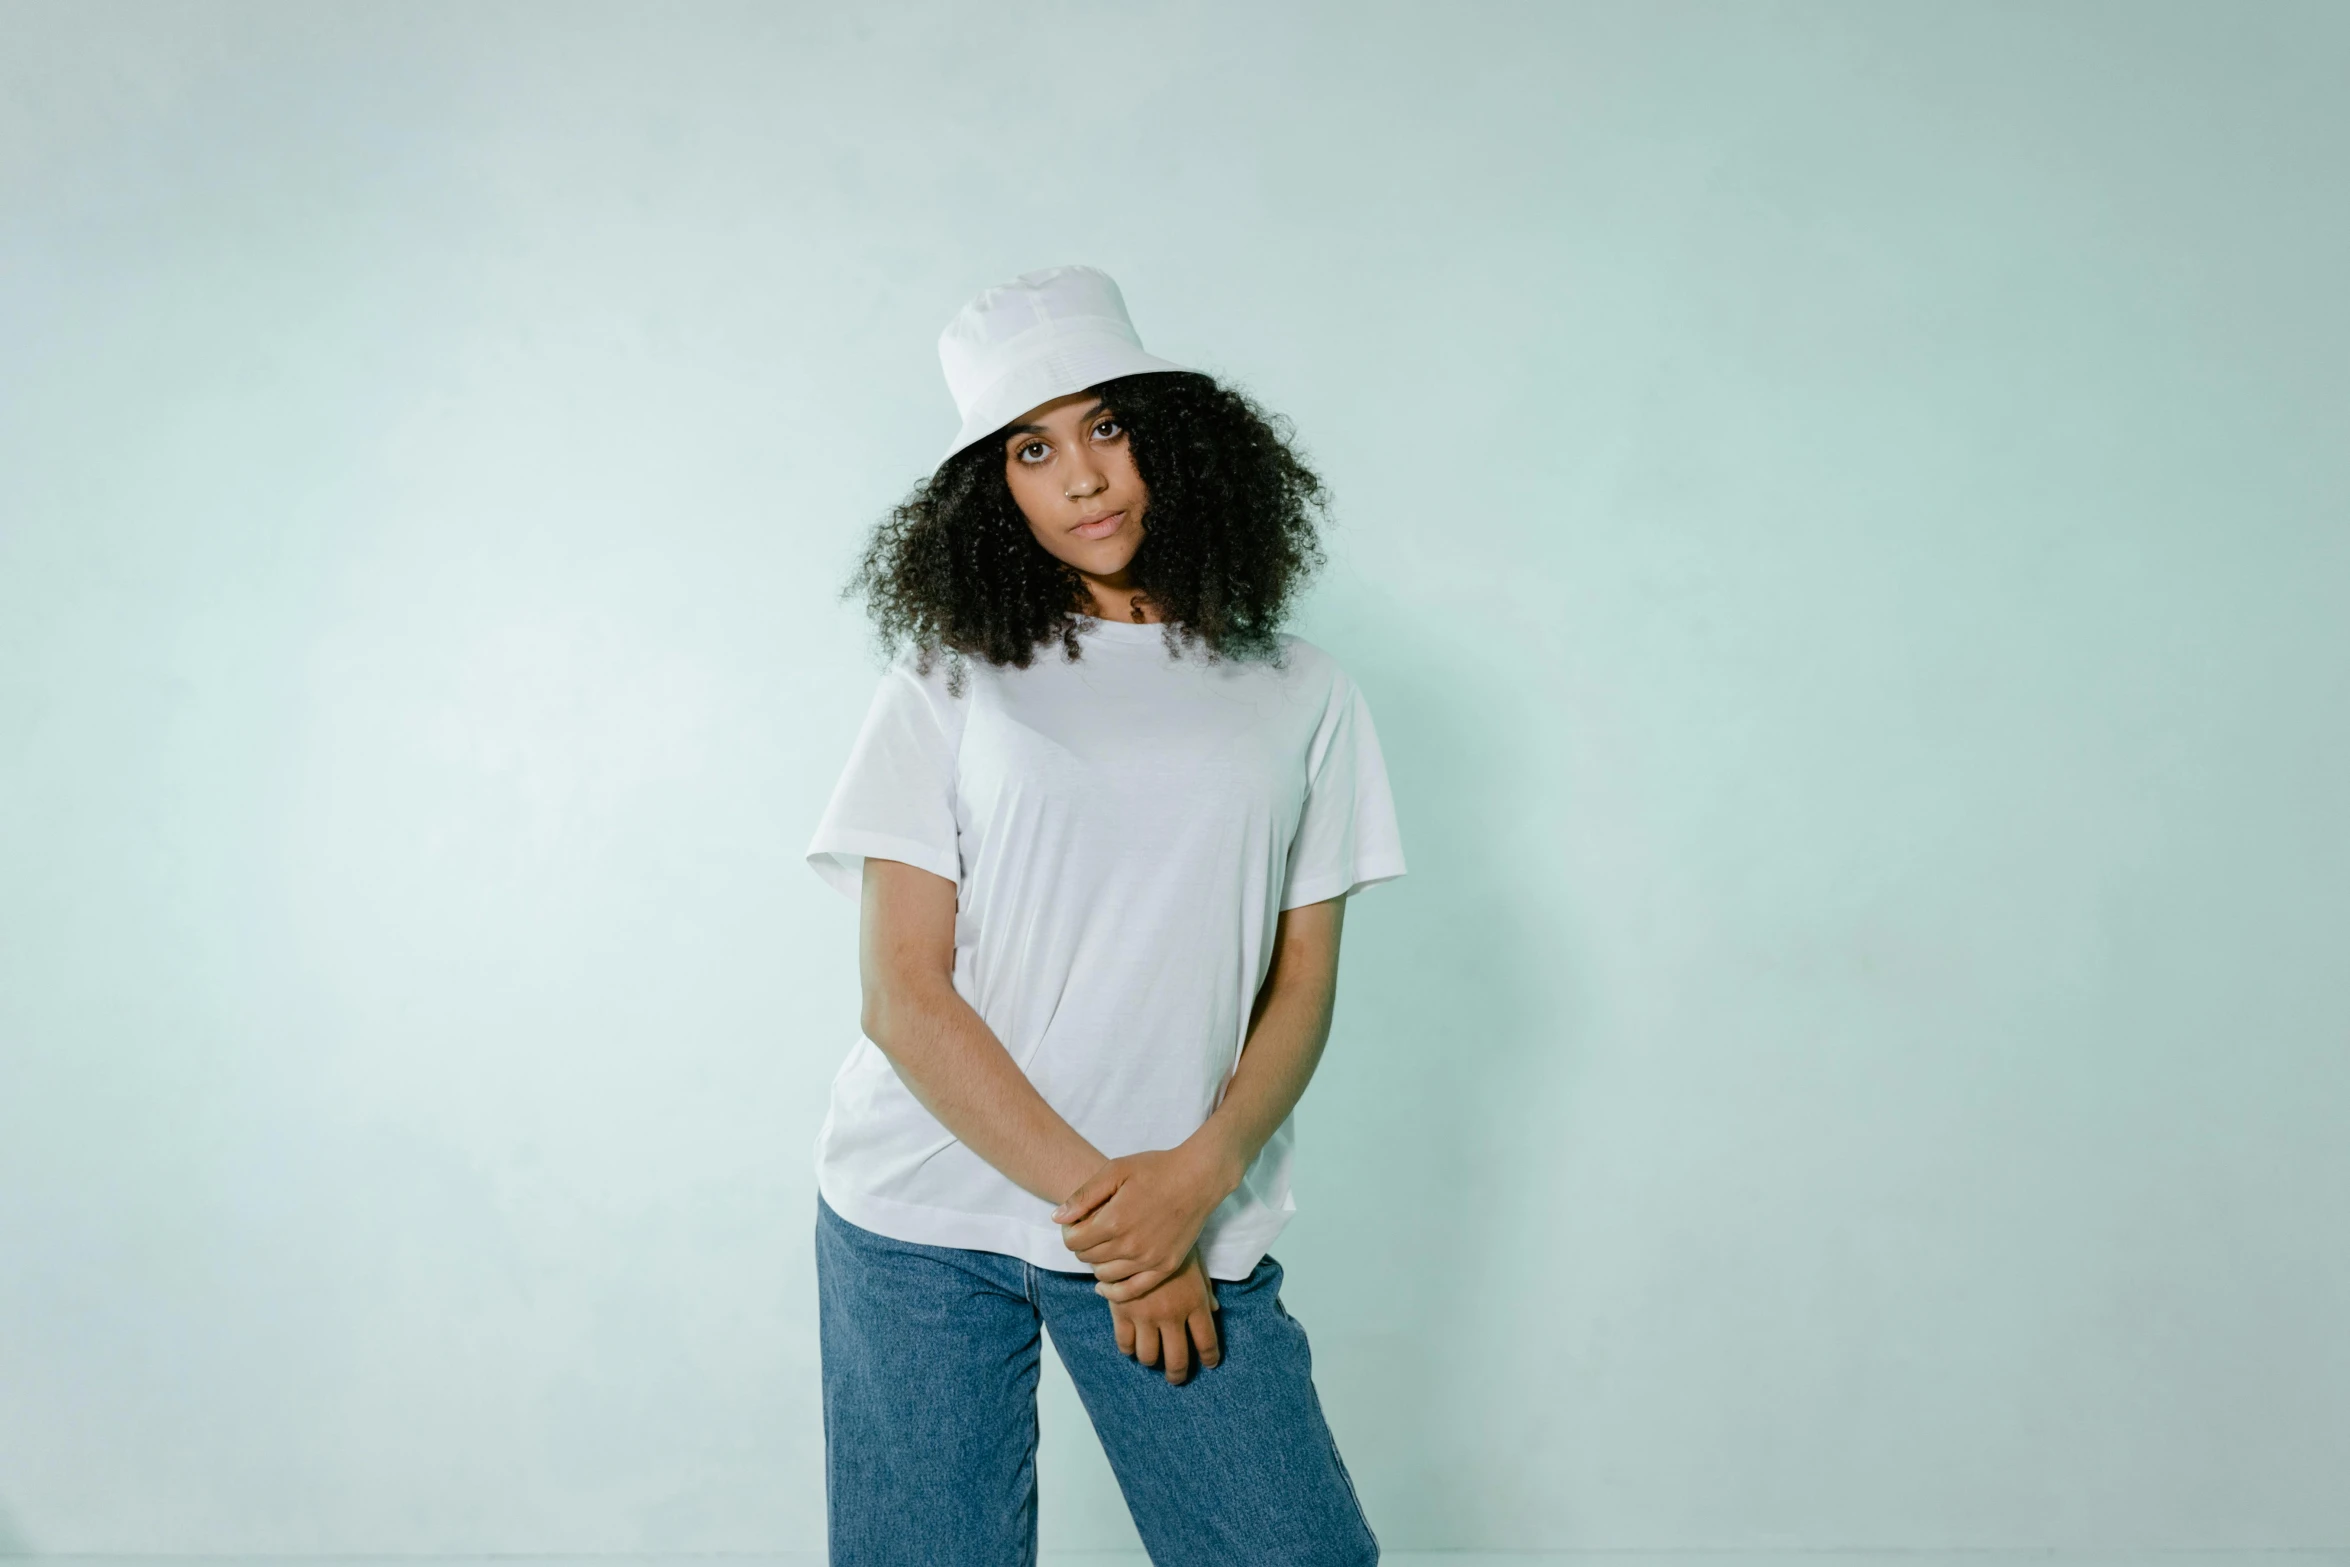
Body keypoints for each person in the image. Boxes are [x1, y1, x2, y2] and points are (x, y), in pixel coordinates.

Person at [805, 264, 1405, 1565]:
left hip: (1178, 1211)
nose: (1081, 476)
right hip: (921, 1219)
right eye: (1032, 447)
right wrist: (1119, 1221)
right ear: (993, 488)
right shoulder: (948, 682)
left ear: (1169, 438)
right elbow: (902, 993)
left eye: (1105, 427)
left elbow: (1299, 983)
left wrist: (1187, 1190)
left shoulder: (1301, 692)